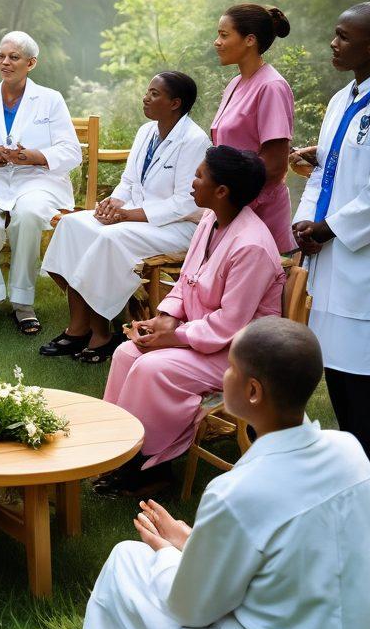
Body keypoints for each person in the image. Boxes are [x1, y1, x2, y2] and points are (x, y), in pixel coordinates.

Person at [81, 318, 370, 629]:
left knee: (126, 559)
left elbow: (190, 610)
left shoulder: (234, 491)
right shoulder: (350, 452)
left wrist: (167, 553)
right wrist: (191, 541)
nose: (223, 376)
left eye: (230, 369)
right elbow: (284, 551)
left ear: (252, 391)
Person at [98, 146, 284, 496]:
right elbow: (187, 280)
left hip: (240, 353)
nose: (192, 183)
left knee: (152, 368)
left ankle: (154, 466)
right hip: (201, 338)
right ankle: (119, 450)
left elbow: (230, 325)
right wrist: (164, 319)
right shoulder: (211, 220)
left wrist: (174, 337)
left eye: (199, 176)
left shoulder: (252, 246)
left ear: (222, 191)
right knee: (126, 354)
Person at [292, 2, 370, 496]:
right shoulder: (344, 97)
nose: (334, 43)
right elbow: (333, 167)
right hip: (329, 250)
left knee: (364, 367)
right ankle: (352, 461)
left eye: (345, 36)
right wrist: (306, 221)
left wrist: (327, 229)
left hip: (366, 256)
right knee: (335, 361)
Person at [41, 72, 209, 362]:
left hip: (178, 227)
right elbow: (129, 181)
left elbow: (185, 202)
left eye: (155, 94)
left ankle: (102, 334)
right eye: (148, 91)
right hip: (136, 217)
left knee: (107, 238)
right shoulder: (147, 132)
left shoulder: (194, 140)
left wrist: (126, 215)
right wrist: (113, 203)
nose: (146, 97)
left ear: (175, 103)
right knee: (71, 224)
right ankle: (77, 328)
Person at [0, 31, 82, 334]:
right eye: (1, 56)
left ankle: (23, 302)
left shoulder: (50, 100)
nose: (5, 62)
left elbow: (71, 151)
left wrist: (34, 156)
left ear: (31, 63)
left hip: (36, 178)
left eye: (14, 57)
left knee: (30, 214)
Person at [211, 3, 295, 252]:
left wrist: (233, 202)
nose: (217, 42)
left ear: (249, 40)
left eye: (224, 35)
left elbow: (275, 165)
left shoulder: (272, 87)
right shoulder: (235, 83)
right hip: (230, 207)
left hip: (258, 214)